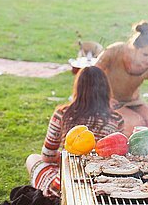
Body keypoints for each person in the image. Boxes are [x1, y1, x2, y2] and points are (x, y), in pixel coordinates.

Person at [25, 66, 124, 198]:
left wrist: (66, 156)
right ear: (106, 89)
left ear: (78, 88)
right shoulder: (117, 119)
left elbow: (47, 155)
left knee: (33, 158)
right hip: (102, 184)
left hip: (64, 188)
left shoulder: (62, 114)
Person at [96, 21, 148, 136]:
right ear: (134, 48)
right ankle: (125, 151)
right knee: (135, 123)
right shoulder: (114, 52)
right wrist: (106, 97)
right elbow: (92, 75)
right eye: (145, 55)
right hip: (104, 100)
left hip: (130, 101)